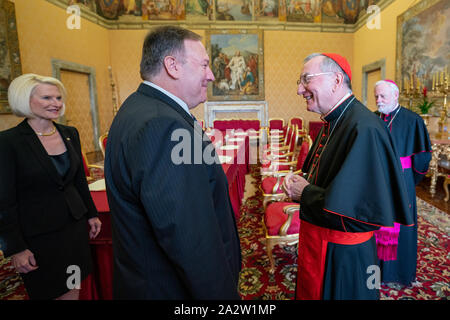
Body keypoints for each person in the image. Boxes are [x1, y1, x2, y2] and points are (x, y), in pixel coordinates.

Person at [104, 26, 242, 299]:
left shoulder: (139, 107)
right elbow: (188, 236)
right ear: (172, 66)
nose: (212, 75)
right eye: (204, 65)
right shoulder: (163, 124)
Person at [282, 53, 412, 300]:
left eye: (306, 80)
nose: (300, 89)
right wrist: (303, 182)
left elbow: (360, 213)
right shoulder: (334, 120)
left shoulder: (364, 128)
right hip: (322, 244)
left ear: (336, 80)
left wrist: (305, 192)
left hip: (343, 257)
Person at [0, 73, 101, 300]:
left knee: (73, 286)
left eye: (58, 98)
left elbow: (78, 181)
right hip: (39, 237)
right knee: (49, 292)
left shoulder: (69, 133)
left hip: (74, 230)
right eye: (47, 98)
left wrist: (91, 214)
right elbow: (4, 200)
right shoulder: (8, 142)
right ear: (25, 100)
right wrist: (15, 248)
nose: (55, 104)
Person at [373, 80, 431, 286]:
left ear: (396, 95)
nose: (378, 101)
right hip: (376, 179)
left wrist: (409, 180)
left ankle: (398, 273)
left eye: (383, 96)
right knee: (375, 221)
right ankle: (376, 270)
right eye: (376, 96)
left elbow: (423, 157)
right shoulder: (372, 118)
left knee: (401, 224)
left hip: (402, 180)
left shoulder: (413, 120)